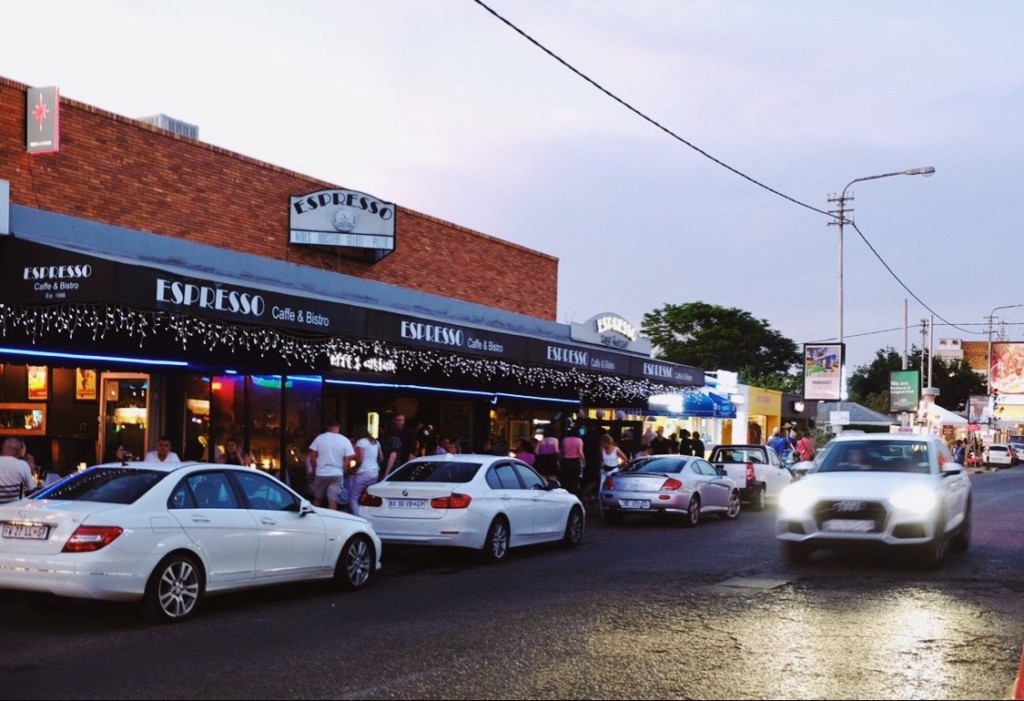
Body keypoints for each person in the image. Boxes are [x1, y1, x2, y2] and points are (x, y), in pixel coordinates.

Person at [308, 418, 356, 511]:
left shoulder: (320, 438)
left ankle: (313, 517)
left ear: (328, 427)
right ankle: (331, 519)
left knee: (318, 499)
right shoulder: (345, 440)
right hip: (337, 474)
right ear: (339, 426)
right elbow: (350, 457)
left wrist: (315, 469)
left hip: (321, 472)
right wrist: (344, 469)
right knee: (332, 501)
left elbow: (312, 457)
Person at [349, 426, 381, 516]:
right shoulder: (376, 442)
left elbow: (360, 459)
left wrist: (353, 469)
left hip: (363, 473)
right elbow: (381, 458)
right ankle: (369, 516)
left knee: (353, 497)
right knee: (369, 497)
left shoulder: (360, 442)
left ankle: (357, 518)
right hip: (374, 473)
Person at [0, 437, 36, 503]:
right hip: (16, 507)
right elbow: (32, 491)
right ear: (17, 452)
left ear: (3, 447)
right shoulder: (23, 465)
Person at [559, 428, 585, 495]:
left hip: (565, 461)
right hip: (575, 461)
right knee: (574, 479)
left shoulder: (565, 440)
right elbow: (580, 452)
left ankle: (565, 493)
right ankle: (573, 493)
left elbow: (562, 451)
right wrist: (583, 461)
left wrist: (559, 461)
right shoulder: (579, 440)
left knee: (565, 479)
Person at [381, 413, 408, 479]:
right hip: (391, 467)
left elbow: (392, 457)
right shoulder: (394, 439)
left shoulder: (394, 439)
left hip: (392, 468)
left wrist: (386, 474)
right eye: (398, 420)